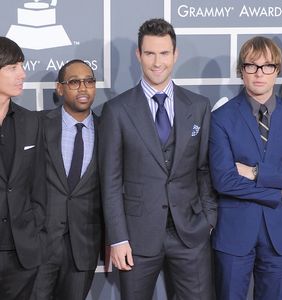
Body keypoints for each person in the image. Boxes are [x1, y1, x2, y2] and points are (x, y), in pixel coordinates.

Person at [98, 18, 217, 300]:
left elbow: (203, 170)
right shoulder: (116, 111)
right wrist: (118, 237)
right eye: (149, 53)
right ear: (138, 55)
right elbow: (110, 181)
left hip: (190, 234)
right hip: (137, 237)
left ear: (175, 55)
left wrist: (208, 220)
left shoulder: (199, 106)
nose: (156, 62)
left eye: (164, 53)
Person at [209, 36, 282, 300]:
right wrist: (277, 190)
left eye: (267, 66)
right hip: (235, 233)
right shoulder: (220, 118)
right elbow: (224, 180)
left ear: (278, 70)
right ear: (241, 70)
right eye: (252, 66)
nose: (259, 73)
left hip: (280, 234)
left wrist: (255, 172)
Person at [31, 59, 103, 300]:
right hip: (39, 245)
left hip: (83, 247)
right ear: (60, 88)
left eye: (89, 81)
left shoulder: (109, 130)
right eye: (74, 82)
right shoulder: (36, 125)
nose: (83, 88)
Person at [0, 36, 46, 299]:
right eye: (13, 67)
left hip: (22, 255)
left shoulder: (31, 122)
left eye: (22, 65)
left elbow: (38, 185)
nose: (23, 73)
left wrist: (34, 229)